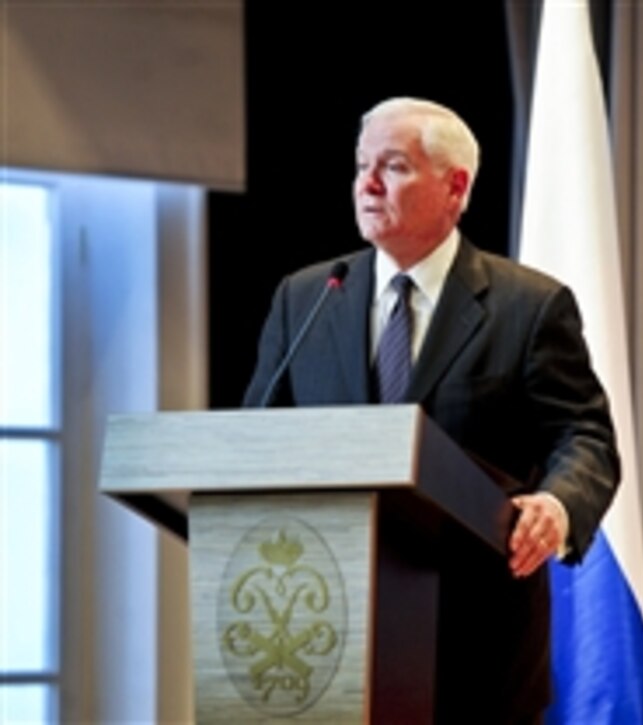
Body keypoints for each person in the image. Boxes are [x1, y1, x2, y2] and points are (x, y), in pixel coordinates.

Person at [242, 97, 619, 723]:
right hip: (320, 641)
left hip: (478, 649)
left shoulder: (529, 306)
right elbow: (258, 441)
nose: (366, 184)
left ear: (455, 186)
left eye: (392, 167)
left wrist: (556, 504)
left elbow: (584, 435)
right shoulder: (307, 298)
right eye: (362, 165)